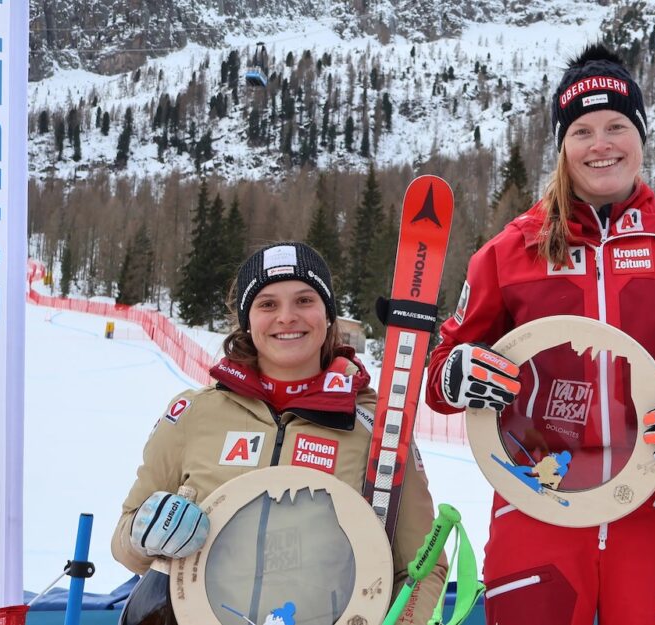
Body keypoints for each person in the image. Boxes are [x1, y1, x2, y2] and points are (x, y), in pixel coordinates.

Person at [424, 44, 655, 624]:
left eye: (616, 126)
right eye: (582, 131)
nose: (601, 145)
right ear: (561, 148)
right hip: (535, 501)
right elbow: (441, 373)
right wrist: (458, 372)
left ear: (641, 136)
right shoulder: (510, 253)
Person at [112, 241, 445, 624]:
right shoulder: (194, 414)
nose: (287, 317)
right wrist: (143, 534)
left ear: (327, 314)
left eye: (305, 300)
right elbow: (126, 542)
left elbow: (422, 567)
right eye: (267, 304)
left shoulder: (376, 428)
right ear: (247, 320)